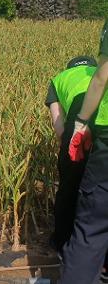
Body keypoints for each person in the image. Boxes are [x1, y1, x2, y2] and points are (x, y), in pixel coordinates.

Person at [59, 20, 108, 284]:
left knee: (92, 222)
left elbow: (103, 77)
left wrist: (80, 125)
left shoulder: (60, 78)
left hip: (104, 133)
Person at [44, 56, 97, 253]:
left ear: (69, 68)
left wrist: (67, 146)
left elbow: (58, 123)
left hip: (79, 115)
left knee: (69, 187)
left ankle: (62, 243)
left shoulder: (59, 79)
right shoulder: (99, 71)